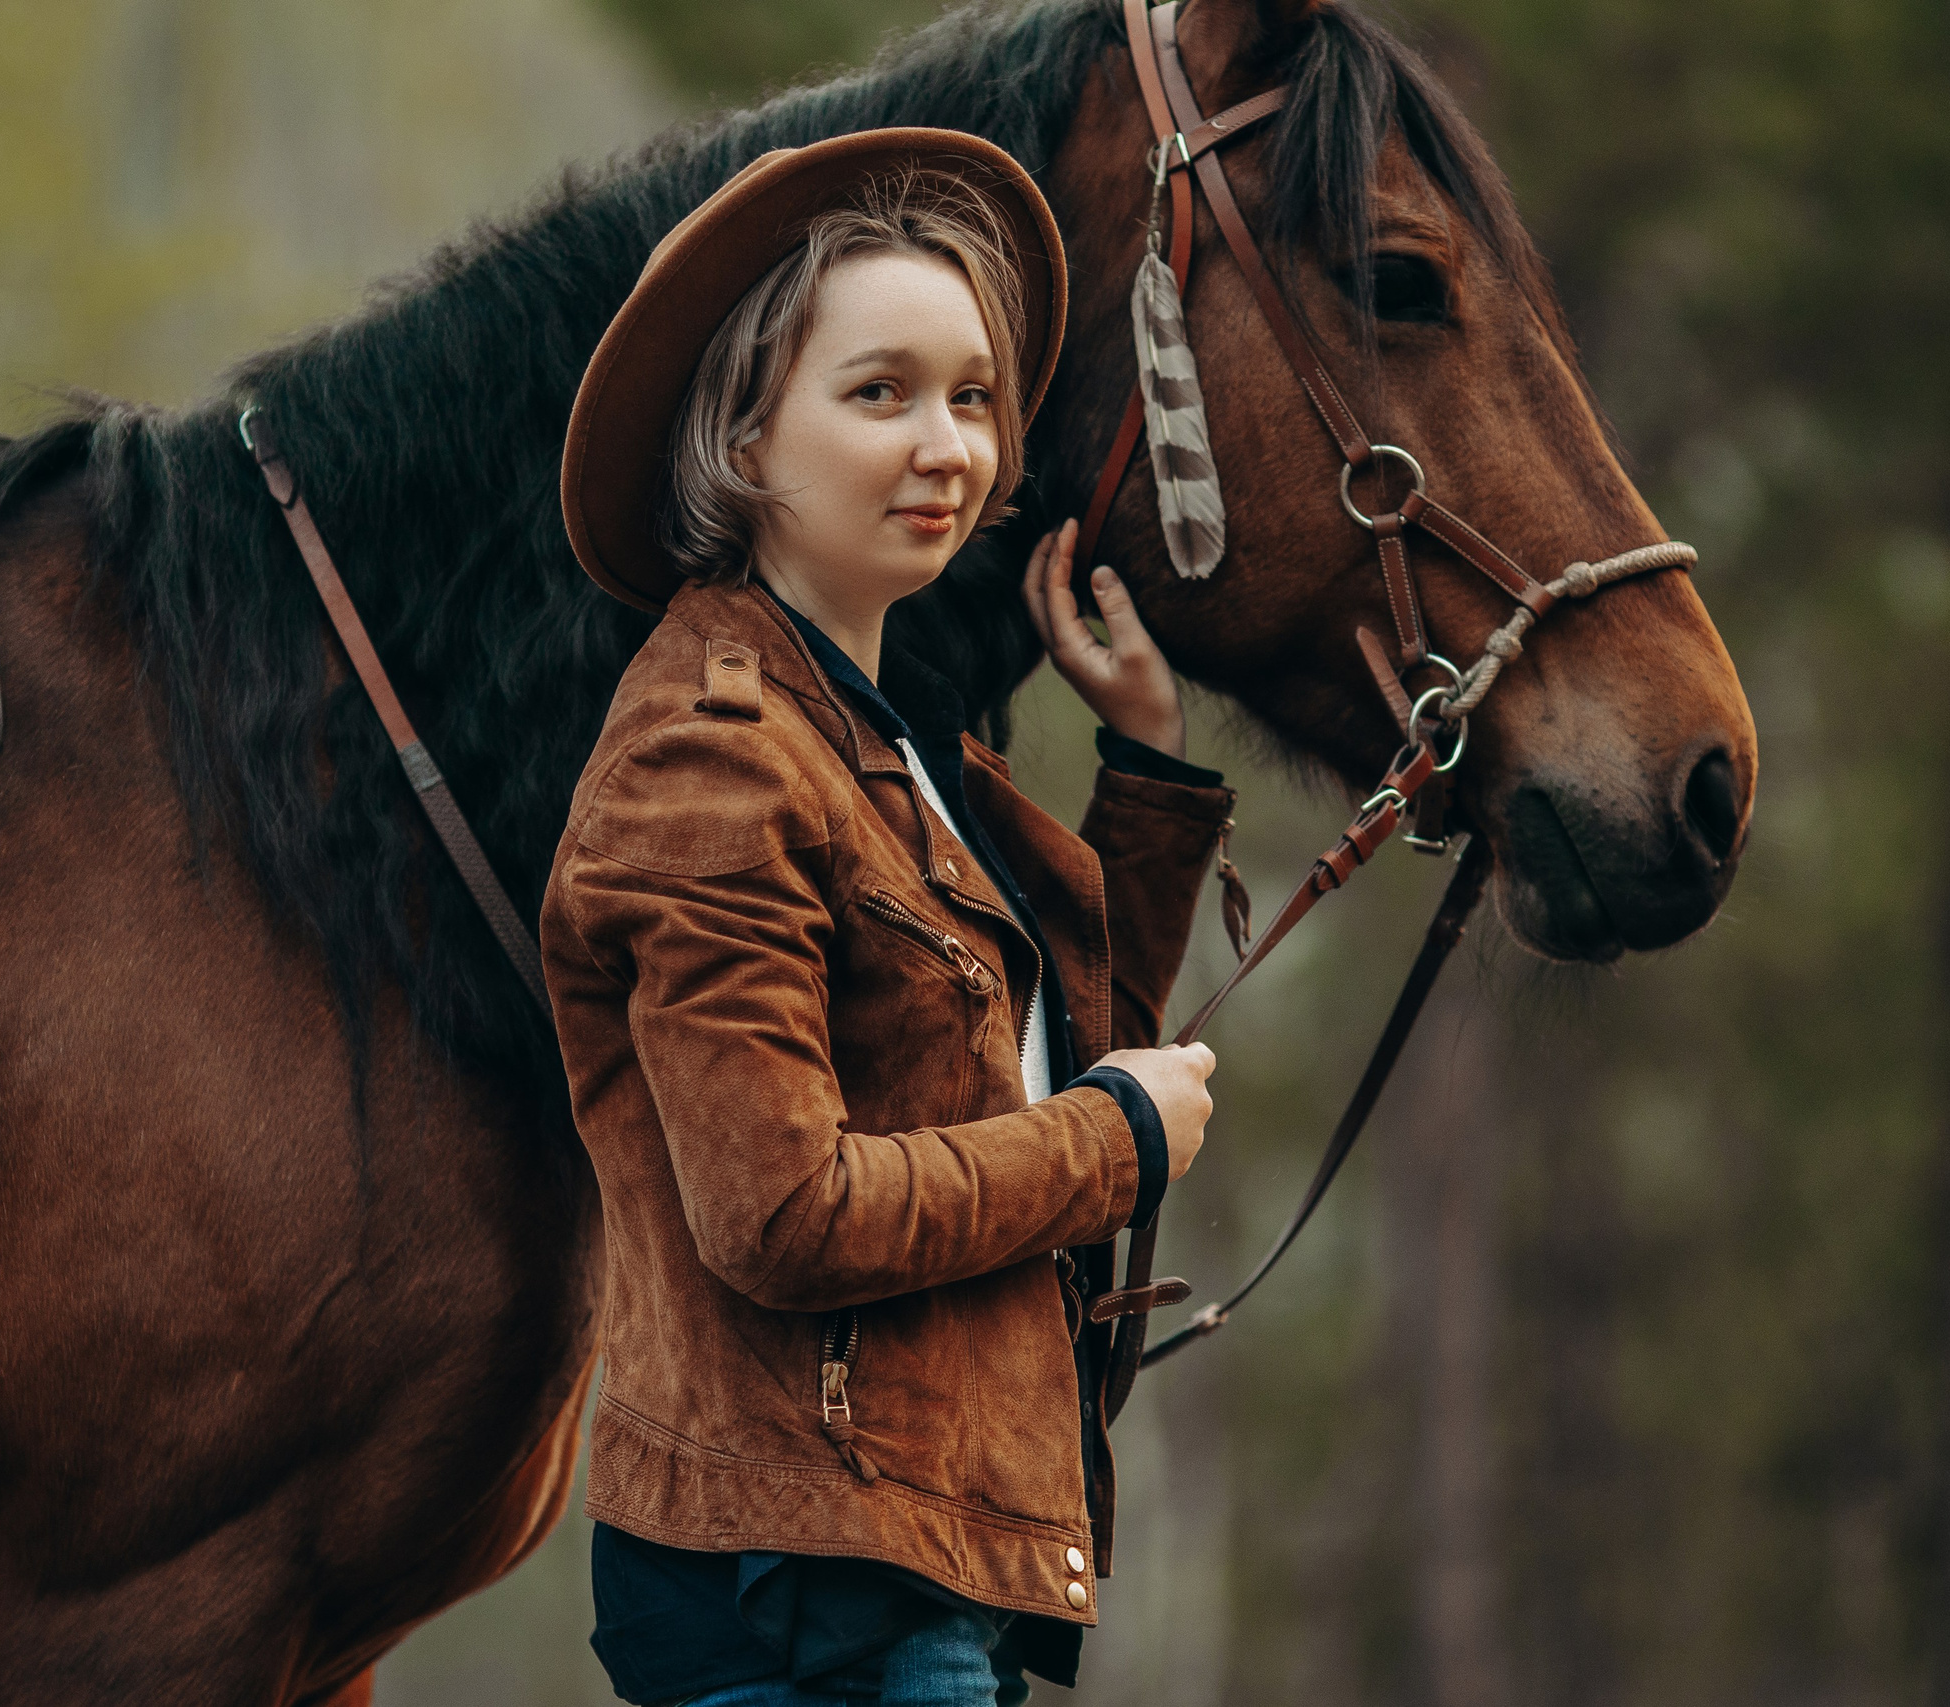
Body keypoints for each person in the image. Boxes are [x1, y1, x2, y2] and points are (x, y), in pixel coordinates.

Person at [548, 128, 1232, 1707]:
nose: (950, 445)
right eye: (882, 394)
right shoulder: (711, 759)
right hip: (811, 1584)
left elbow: (1027, 1066)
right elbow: (781, 1214)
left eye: (973, 396)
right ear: (740, 436)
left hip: (909, 1557)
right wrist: (1110, 1144)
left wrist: (1143, 764)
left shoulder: (889, 747)